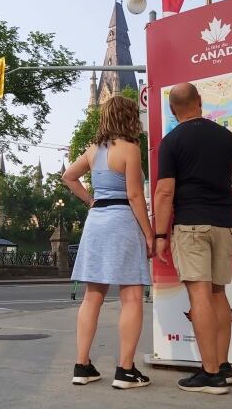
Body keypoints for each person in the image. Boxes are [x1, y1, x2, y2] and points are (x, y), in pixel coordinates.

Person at [153, 83, 232, 395]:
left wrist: (160, 234)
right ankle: (223, 366)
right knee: (217, 294)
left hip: (191, 227)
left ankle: (210, 374)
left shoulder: (171, 142)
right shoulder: (227, 137)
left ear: (173, 110)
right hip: (225, 225)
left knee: (199, 295)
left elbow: (164, 192)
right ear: (200, 102)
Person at [63, 95, 154, 390]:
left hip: (96, 223)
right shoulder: (130, 148)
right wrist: (150, 233)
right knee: (131, 297)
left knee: (93, 296)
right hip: (122, 222)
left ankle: (82, 365)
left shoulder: (93, 150)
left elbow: (69, 176)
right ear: (129, 118)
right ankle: (126, 370)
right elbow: (135, 196)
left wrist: (91, 201)